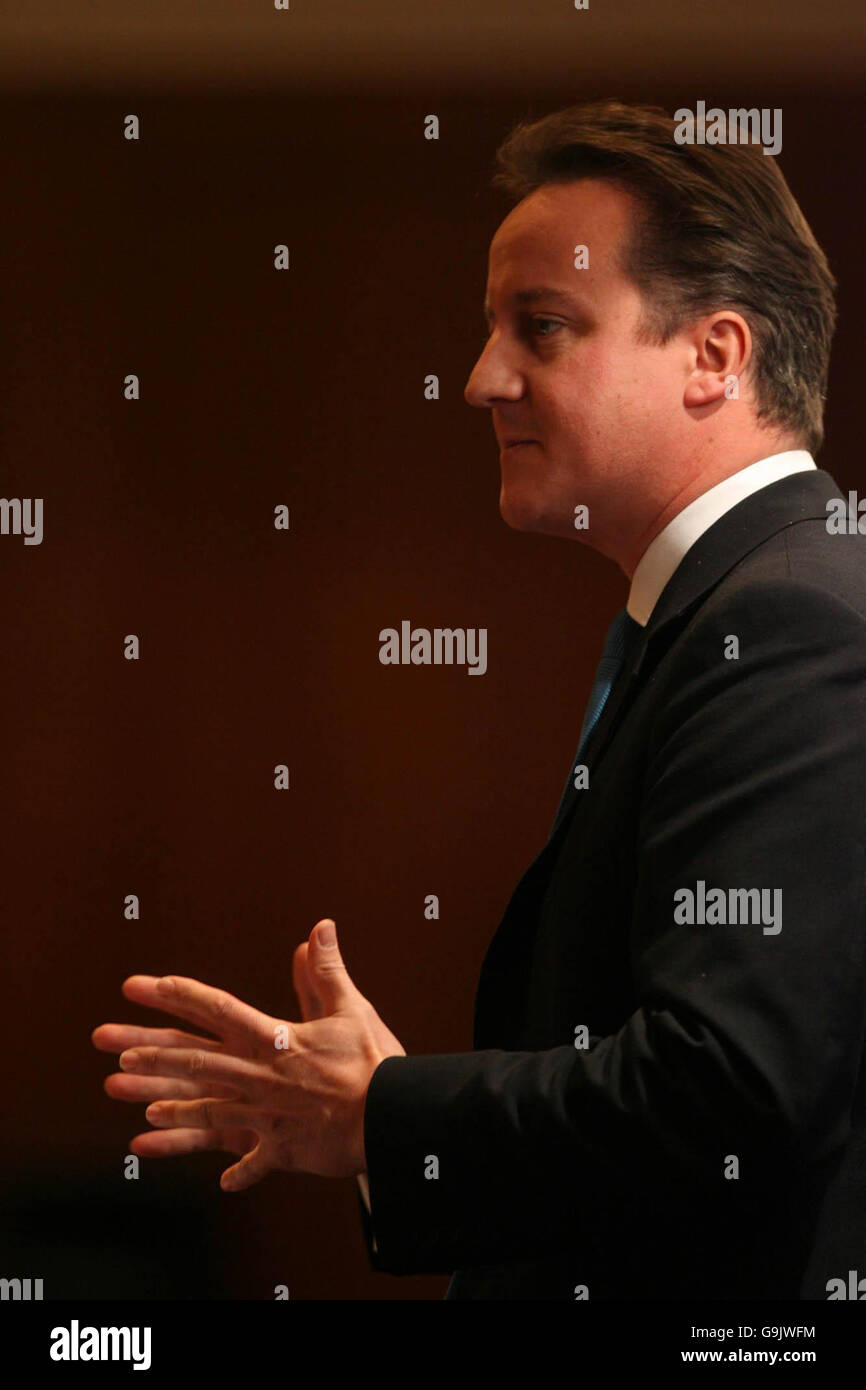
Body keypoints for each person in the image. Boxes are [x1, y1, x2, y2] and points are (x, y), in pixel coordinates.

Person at [93, 100, 866, 1300]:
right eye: (489, 328)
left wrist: (384, 1114)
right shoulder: (735, 606)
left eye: (540, 328)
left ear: (715, 357)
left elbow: (731, 1091)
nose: (478, 379)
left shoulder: (789, 619)